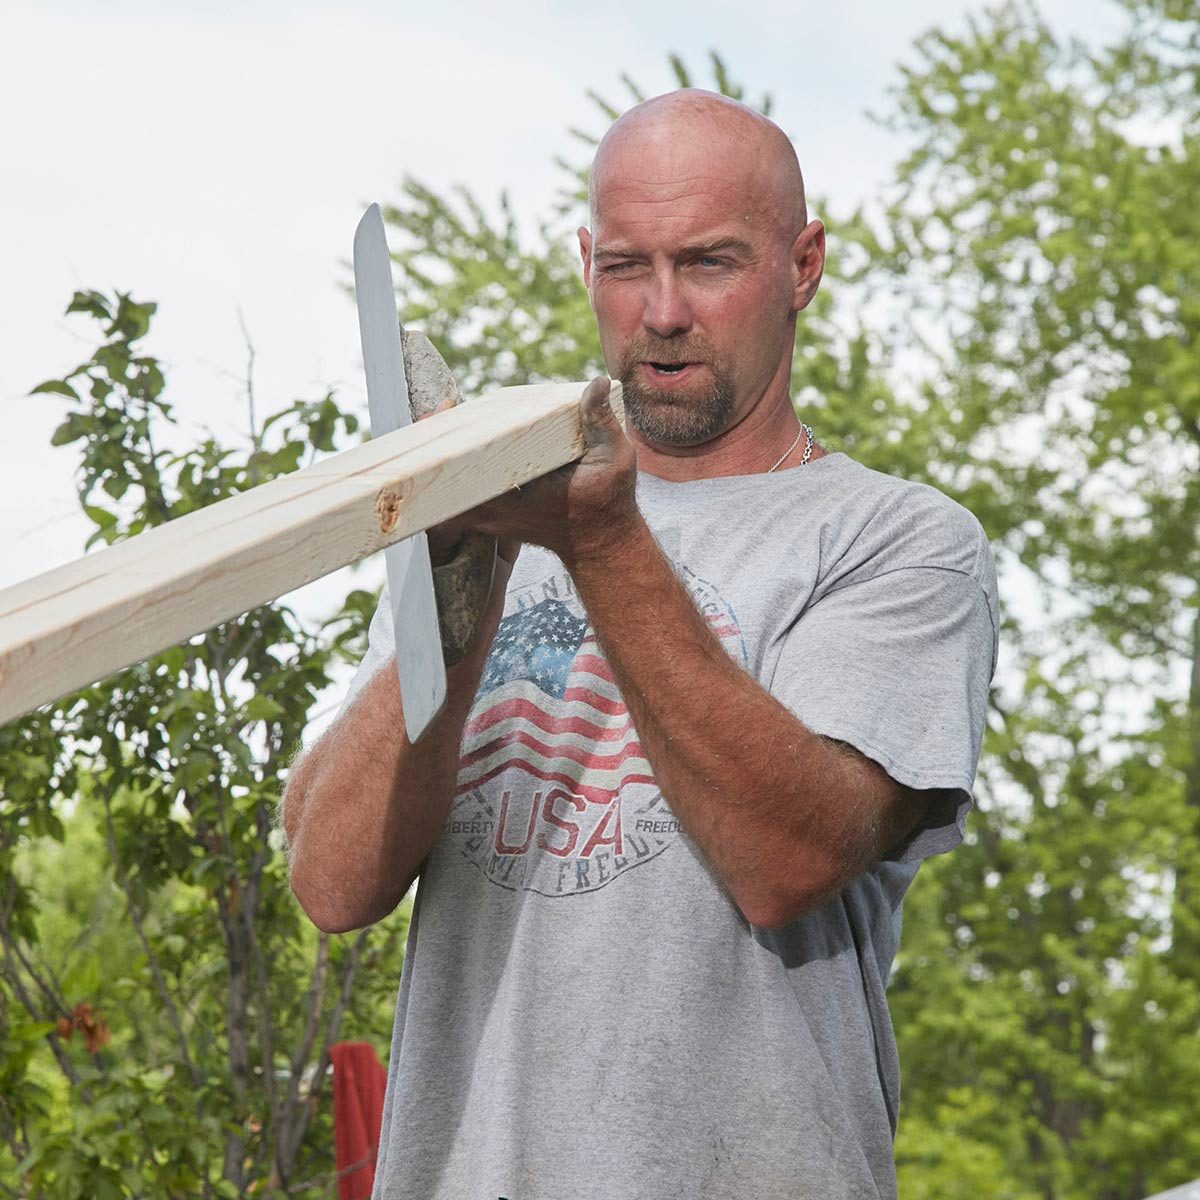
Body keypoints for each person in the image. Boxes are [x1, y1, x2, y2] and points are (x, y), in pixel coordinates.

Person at [282, 89, 1000, 1199]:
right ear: (585, 264)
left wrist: (601, 541)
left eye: (710, 263)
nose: (661, 311)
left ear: (803, 265)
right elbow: (332, 881)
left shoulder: (897, 543)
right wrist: (460, 575)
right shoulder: (495, 513)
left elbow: (786, 864)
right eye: (626, 267)